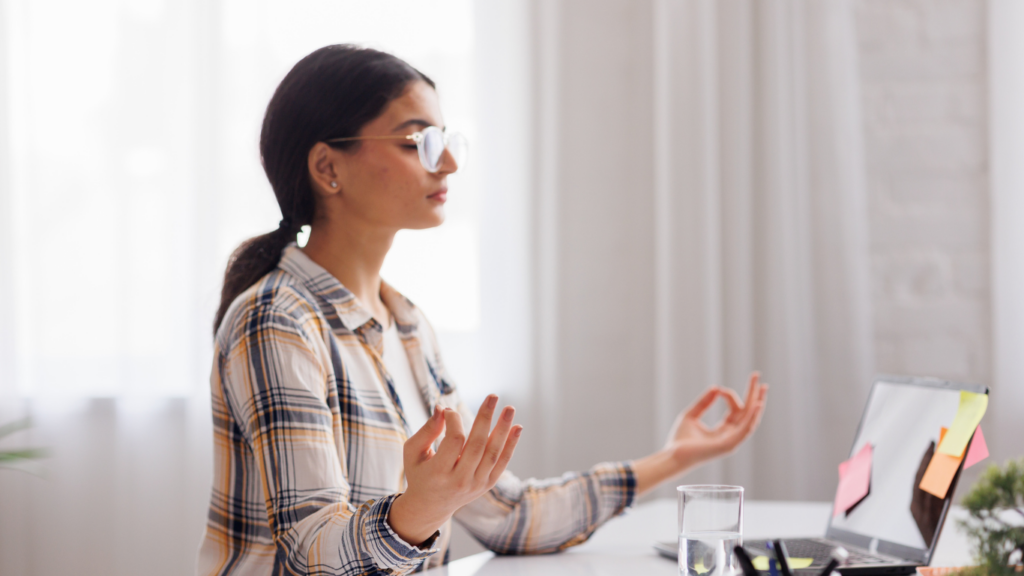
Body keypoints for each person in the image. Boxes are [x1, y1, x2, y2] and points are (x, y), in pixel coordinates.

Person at [197, 44, 769, 576]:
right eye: (416, 140)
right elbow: (311, 553)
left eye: (446, 139)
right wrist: (419, 510)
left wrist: (673, 458)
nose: (446, 162)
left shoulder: (408, 324)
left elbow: (508, 515)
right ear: (328, 168)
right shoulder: (276, 321)